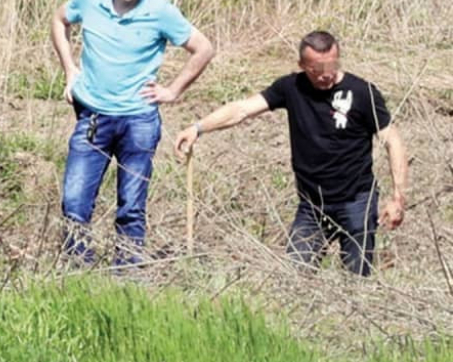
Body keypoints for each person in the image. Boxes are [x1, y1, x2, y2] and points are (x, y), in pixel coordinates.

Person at [173, 31, 408, 276]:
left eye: (331, 66)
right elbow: (241, 110)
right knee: (293, 276)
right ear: (302, 65)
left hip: (356, 201)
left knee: (357, 279)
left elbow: (393, 141)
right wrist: (198, 128)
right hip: (312, 206)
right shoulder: (291, 88)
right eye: (317, 69)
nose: (326, 74)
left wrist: (398, 197)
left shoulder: (362, 92)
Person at [51, 0, 214, 265]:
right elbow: (59, 20)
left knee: (131, 206)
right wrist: (69, 69)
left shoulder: (160, 11)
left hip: (138, 121)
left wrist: (173, 90)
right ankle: (77, 271)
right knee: (74, 202)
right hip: (93, 116)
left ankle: (127, 273)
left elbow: (204, 48)